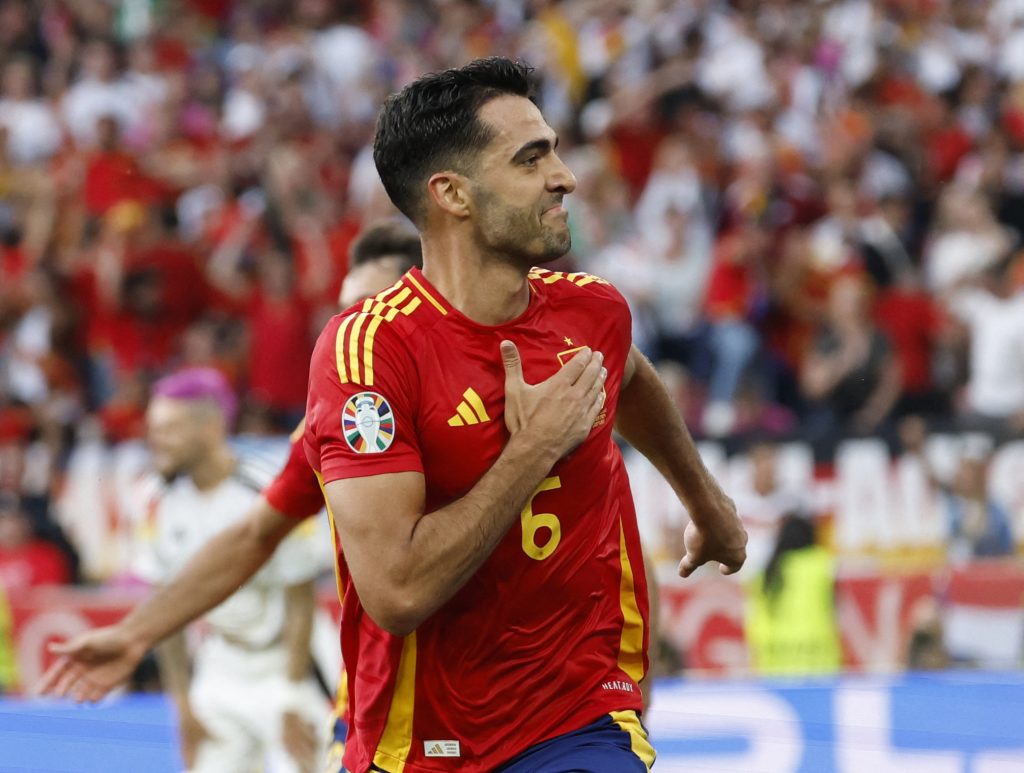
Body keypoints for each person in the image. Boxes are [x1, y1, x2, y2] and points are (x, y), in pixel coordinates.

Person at [46, 59, 747, 772]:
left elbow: (631, 374)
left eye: (552, 152)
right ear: (452, 194)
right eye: (531, 158)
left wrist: (706, 501)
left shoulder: (593, 312)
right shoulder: (363, 370)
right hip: (418, 740)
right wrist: (534, 448)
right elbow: (384, 585)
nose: (564, 177)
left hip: (576, 719)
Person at [39, 219, 426, 772]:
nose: (348, 327)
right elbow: (232, 552)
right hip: (240, 668)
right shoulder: (318, 433)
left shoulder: (466, 402)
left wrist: (291, 692)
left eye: (367, 306)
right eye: (342, 310)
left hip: (306, 669)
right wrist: (148, 656)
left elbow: (303, 590)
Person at [127, 368, 327, 773]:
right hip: (220, 664)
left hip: (291, 663)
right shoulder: (153, 500)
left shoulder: (267, 489)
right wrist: (182, 705)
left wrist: (292, 696)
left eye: (169, 429)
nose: (156, 440)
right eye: (153, 429)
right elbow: (165, 610)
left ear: (211, 426)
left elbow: (301, 598)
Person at [744, 513, 842, 676]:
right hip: (817, 658)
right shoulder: (823, 564)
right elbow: (837, 609)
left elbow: (752, 615)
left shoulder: (763, 573)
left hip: (773, 659)